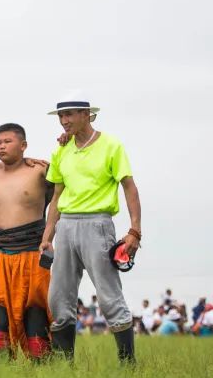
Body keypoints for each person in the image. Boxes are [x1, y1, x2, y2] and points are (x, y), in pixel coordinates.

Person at [40, 97, 142, 363]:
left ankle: (127, 363)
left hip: (98, 224)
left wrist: (135, 230)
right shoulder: (61, 149)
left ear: (87, 114)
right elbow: (56, 196)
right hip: (66, 226)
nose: (64, 121)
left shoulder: (111, 145)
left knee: (109, 296)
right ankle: (65, 366)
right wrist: (47, 236)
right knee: (59, 297)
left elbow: (129, 187)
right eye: (60, 116)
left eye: (70, 115)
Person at [0, 123, 55, 363]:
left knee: (35, 317)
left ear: (23, 146)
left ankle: (41, 374)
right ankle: (1, 377)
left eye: (7, 141)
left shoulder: (40, 172)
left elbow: (64, 182)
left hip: (32, 254)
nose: (1, 146)